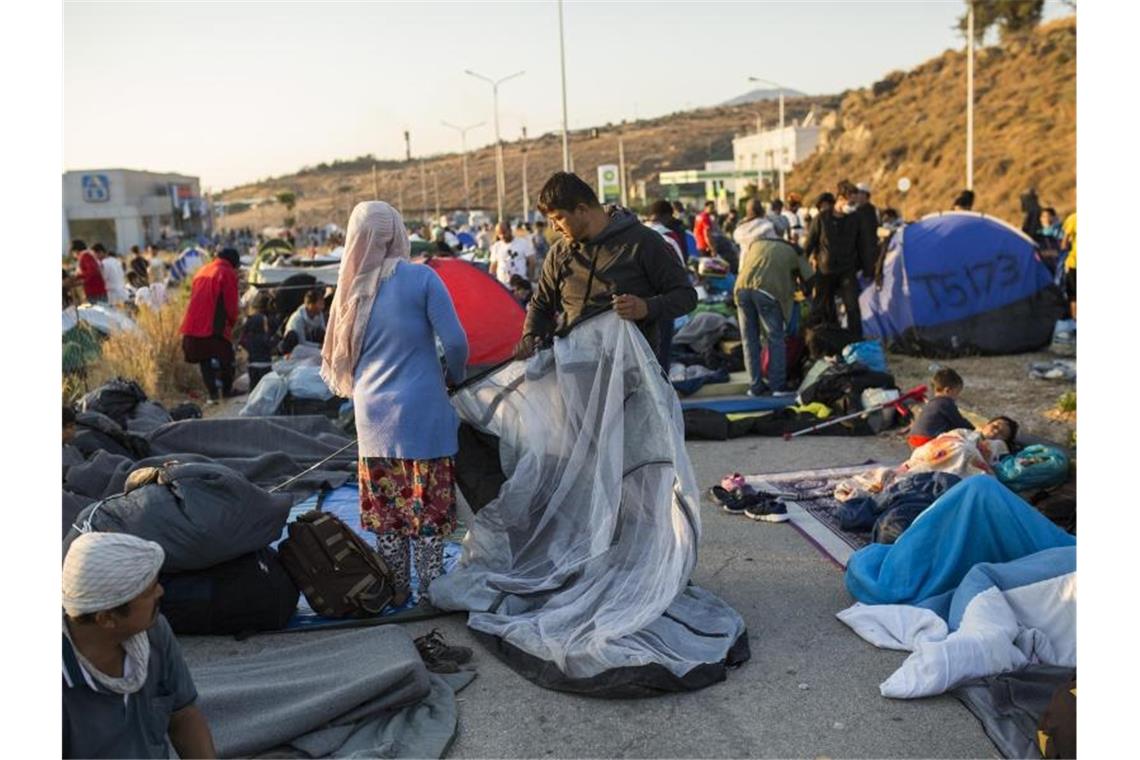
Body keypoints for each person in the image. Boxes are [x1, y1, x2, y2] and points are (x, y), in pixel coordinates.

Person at [322, 201, 469, 601]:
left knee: (388, 515)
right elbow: (455, 342)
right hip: (423, 414)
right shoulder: (420, 278)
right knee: (428, 509)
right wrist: (456, 378)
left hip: (372, 418)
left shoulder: (350, 291)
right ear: (397, 233)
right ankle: (430, 591)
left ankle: (398, 589)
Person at [62, 532, 216, 759]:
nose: (161, 592)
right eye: (148, 591)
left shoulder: (154, 632)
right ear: (107, 618)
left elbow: (183, 715)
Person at [515, 172, 697, 364]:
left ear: (582, 210)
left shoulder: (643, 242)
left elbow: (686, 297)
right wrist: (530, 336)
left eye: (559, 218)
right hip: (575, 374)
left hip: (633, 375)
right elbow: (541, 305)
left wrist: (646, 307)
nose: (554, 227)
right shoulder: (558, 254)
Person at [734, 200, 813, 396]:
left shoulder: (756, 244)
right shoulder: (793, 249)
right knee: (775, 338)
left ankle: (755, 386)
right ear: (784, 232)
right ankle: (778, 386)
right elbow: (810, 279)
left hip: (741, 290)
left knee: (749, 339)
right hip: (767, 292)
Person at [179, 248, 240, 403]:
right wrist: (232, 323)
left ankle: (213, 394)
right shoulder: (227, 272)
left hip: (193, 323)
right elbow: (231, 304)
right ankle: (226, 391)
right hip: (213, 324)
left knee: (205, 360)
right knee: (227, 357)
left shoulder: (202, 271)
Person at [803, 191, 862, 337]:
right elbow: (809, 245)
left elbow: (861, 244)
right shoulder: (821, 219)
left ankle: (855, 341)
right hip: (825, 271)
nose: (853, 206)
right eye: (851, 202)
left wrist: (863, 267)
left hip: (847, 270)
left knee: (852, 307)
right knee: (820, 307)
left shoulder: (854, 219)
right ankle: (814, 340)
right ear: (841, 199)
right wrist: (801, 270)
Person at [907, 367, 974, 448]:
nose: (956, 397)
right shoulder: (946, 403)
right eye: (957, 393)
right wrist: (974, 429)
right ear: (948, 390)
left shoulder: (931, 403)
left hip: (912, 439)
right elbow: (959, 422)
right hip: (927, 440)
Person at [238, 292, 277, 392]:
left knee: (254, 388)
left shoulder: (249, 339)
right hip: (265, 366)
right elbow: (272, 347)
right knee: (265, 389)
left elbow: (242, 343)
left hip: (252, 365)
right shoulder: (265, 337)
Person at [488, 220, 536, 286]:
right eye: (499, 234)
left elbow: (532, 261)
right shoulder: (496, 246)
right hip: (503, 285)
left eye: (504, 232)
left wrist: (530, 279)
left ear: (510, 230)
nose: (502, 236)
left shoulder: (523, 243)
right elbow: (493, 266)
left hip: (520, 286)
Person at [281, 288, 328, 354]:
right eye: (320, 304)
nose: (322, 307)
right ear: (310, 304)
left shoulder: (319, 314)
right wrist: (320, 346)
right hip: (296, 344)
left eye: (323, 304)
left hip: (310, 341)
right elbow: (302, 342)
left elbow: (324, 331)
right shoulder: (298, 318)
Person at [1061, 211, 1076, 319]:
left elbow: (1064, 244)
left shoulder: (1074, 218)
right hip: (1074, 263)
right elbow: (1064, 243)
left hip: (1074, 262)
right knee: (1074, 295)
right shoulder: (1074, 219)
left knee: (1074, 295)